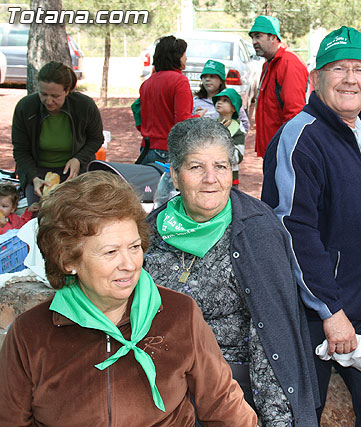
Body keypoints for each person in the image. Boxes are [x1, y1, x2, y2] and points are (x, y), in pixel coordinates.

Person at [0, 171, 256, 426]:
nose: (129, 264)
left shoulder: (179, 314)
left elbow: (224, 406)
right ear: (68, 261)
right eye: (110, 252)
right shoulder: (30, 334)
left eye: (134, 247)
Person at [262, 26, 361, 426]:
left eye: (359, 69)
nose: (350, 78)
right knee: (302, 415)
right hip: (318, 313)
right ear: (315, 77)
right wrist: (329, 309)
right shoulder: (302, 136)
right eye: (338, 68)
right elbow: (292, 228)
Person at [144, 117, 318, 426]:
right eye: (196, 167)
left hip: (229, 388)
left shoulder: (256, 231)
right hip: (156, 382)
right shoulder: (151, 231)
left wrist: (276, 420)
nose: (211, 179)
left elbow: (273, 338)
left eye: (221, 167)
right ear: (175, 174)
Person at [11, 61, 104, 204]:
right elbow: (20, 150)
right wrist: (33, 178)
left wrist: (78, 159)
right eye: (43, 94)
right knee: (39, 214)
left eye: (55, 96)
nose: (49, 101)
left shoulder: (84, 106)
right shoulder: (26, 108)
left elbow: (96, 139)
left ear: (67, 91)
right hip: (37, 171)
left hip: (74, 170)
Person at [249, 15, 308, 157]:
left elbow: (294, 113)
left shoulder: (288, 63)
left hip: (284, 150)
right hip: (272, 148)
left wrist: (286, 151)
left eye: (258, 36)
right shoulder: (268, 64)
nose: (254, 42)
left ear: (273, 37)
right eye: (252, 38)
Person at [138, 35, 198, 165]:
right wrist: (198, 117)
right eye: (184, 54)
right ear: (176, 57)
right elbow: (182, 121)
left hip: (146, 149)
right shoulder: (179, 81)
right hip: (167, 151)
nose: (186, 58)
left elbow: (139, 117)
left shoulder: (147, 83)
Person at [192, 59, 251, 132]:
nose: (207, 79)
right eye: (204, 76)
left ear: (221, 80)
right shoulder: (196, 101)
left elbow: (245, 124)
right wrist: (194, 117)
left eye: (212, 76)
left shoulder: (231, 99)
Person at [212, 88, 246, 186]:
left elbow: (238, 157)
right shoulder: (210, 125)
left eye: (225, 100)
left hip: (229, 177)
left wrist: (220, 143)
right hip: (210, 174)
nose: (219, 103)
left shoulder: (237, 129)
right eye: (218, 100)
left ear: (234, 108)